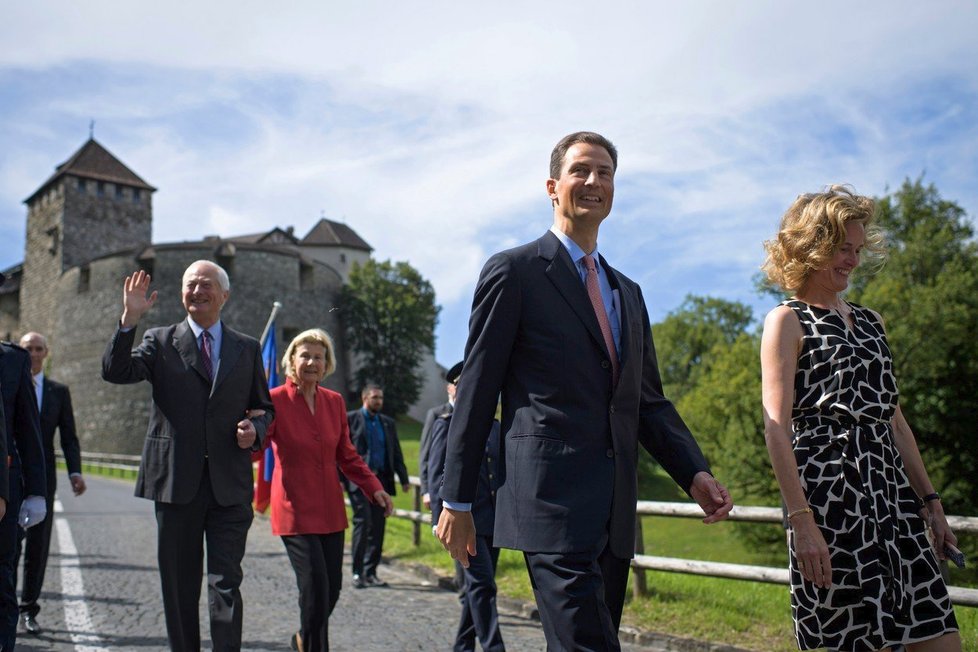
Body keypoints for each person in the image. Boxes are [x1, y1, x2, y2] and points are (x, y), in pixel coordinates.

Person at [436, 131, 733, 651]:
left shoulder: (629, 294)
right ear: (553, 187)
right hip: (547, 504)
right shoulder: (515, 272)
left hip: (613, 513)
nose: (594, 181)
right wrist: (457, 500)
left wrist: (694, 472)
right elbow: (479, 391)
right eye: (581, 170)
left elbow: (647, 402)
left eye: (605, 173)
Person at [759, 186, 961, 652]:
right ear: (812, 246)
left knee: (940, 637)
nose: (852, 260)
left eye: (856, 249)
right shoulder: (787, 321)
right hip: (831, 506)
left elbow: (895, 420)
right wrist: (801, 521)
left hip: (894, 502)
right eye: (841, 249)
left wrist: (930, 500)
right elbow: (776, 426)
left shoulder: (873, 322)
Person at [101, 262, 274, 652]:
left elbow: (264, 409)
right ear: (181, 294)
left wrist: (255, 432)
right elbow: (115, 371)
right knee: (179, 587)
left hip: (229, 487)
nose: (197, 290)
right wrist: (128, 319)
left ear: (224, 295)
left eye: (206, 284)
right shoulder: (159, 340)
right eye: (190, 284)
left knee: (226, 584)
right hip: (175, 484)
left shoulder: (246, 348)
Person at [258, 329, 393, 652]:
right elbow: (255, 447)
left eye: (318, 357)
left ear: (327, 363)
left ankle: (303, 640)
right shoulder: (274, 400)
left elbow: (346, 454)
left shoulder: (334, 402)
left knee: (331, 589)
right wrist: (247, 425)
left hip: (331, 510)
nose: (311, 362)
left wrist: (374, 488)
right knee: (315, 587)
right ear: (291, 359)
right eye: (304, 355)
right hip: (293, 508)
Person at [429, 362, 504, 652]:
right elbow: (437, 475)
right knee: (484, 586)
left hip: (492, 521)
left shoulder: (495, 427)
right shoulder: (446, 425)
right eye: (460, 385)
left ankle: (462, 645)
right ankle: (494, 647)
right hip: (463, 524)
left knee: (478, 587)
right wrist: (439, 521)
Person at [15, 332, 86, 636]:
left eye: (38, 348)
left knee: (38, 546)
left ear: (47, 353)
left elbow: (68, 437)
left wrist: (75, 472)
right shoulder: (8, 383)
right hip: (10, 475)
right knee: (8, 545)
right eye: (27, 348)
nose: (33, 353)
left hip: (43, 477)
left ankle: (29, 608)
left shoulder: (58, 392)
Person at [0, 331, 46, 650]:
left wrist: (36, 492)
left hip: (5, 485)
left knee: (1, 579)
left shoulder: (14, 360)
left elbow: (29, 431)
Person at [345, 385, 409, 589]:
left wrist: (404, 478)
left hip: (382, 481)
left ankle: (371, 571)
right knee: (363, 523)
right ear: (365, 398)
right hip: (359, 481)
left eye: (381, 398)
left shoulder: (387, 423)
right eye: (374, 397)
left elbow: (396, 452)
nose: (378, 401)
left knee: (379, 527)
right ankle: (357, 572)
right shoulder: (351, 419)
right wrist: (340, 479)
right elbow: (341, 450)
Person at [418, 363, 460, 510]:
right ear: (449, 388)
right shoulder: (436, 414)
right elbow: (426, 453)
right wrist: (426, 490)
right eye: (456, 384)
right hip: (441, 487)